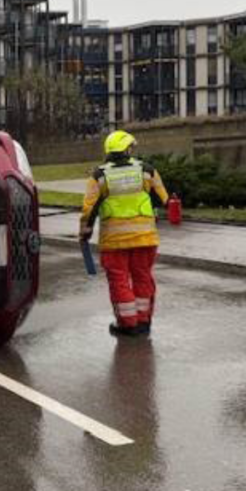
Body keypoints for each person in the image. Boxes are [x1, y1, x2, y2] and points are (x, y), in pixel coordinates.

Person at [80, 130, 170, 336]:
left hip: (114, 241)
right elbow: (163, 198)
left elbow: (88, 210)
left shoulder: (99, 176)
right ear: (127, 149)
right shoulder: (147, 171)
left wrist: (84, 233)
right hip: (145, 239)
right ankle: (144, 322)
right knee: (143, 277)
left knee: (119, 280)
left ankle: (128, 324)